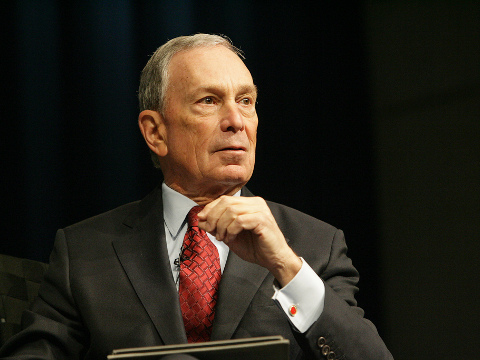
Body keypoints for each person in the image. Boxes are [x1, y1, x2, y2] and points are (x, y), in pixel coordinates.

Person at [0, 34, 393, 360]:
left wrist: (288, 267)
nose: (236, 121)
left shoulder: (315, 246)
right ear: (156, 132)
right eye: (209, 101)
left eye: (246, 101)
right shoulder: (83, 252)